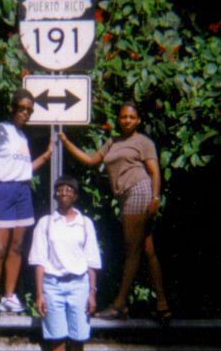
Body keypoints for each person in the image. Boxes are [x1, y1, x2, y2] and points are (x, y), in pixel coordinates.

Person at [59, 100, 171, 321]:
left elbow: (155, 171)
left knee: (132, 251)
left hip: (138, 191)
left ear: (138, 120)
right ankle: (162, 305)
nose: (126, 121)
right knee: (146, 249)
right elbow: (91, 160)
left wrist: (156, 197)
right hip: (124, 197)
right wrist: (65, 142)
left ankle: (120, 305)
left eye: (131, 117)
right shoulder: (112, 142)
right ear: (118, 119)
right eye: (123, 117)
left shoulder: (143, 142)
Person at [28, 175, 101, 351]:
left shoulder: (85, 223)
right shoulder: (46, 223)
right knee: (57, 337)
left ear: (76, 195)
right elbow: (39, 260)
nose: (64, 192)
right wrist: (39, 294)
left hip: (79, 284)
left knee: (78, 336)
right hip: (52, 285)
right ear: (55, 195)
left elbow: (91, 260)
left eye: (70, 189)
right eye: (60, 189)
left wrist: (92, 292)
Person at [0, 88, 53, 320]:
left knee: (16, 248)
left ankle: (9, 297)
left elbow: (25, 170)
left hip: (22, 192)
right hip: (2, 190)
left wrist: (47, 155)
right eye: (21, 108)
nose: (25, 113)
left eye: (29, 110)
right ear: (12, 108)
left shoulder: (23, 137)